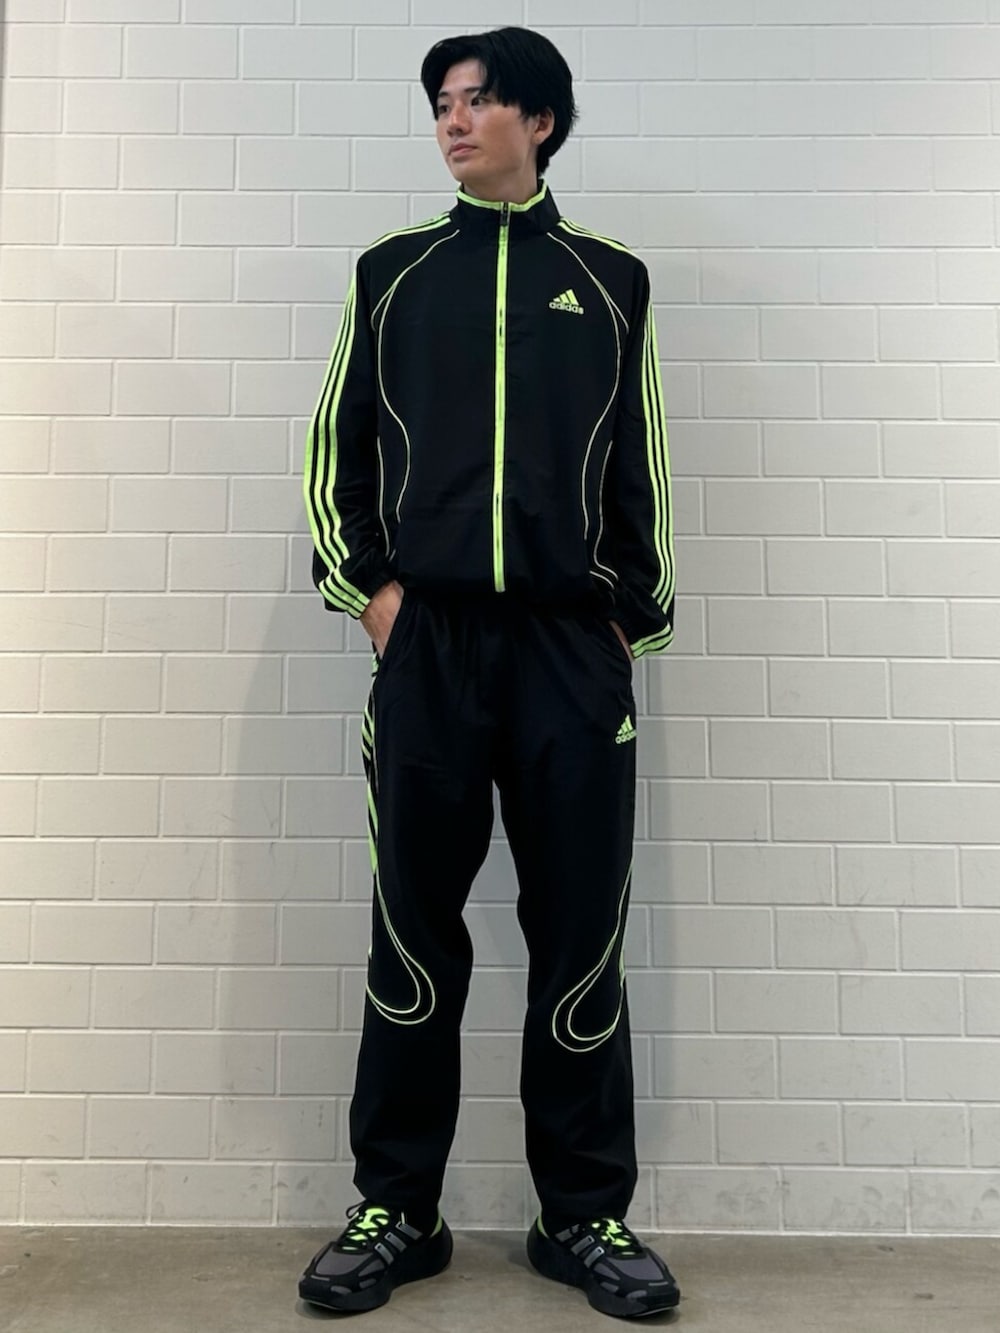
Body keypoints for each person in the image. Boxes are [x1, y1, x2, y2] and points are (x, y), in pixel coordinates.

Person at [298, 25, 678, 1321]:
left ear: (541, 121)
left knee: (582, 943)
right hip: (432, 652)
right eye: (442, 106)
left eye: (477, 102)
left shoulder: (610, 280)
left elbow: (641, 465)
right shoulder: (394, 273)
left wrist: (627, 619)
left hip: (571, 654)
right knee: (413, 937)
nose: (453, 122)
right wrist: (374, 596)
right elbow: (336, 450)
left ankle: (583, 1215)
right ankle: (398, 1209)